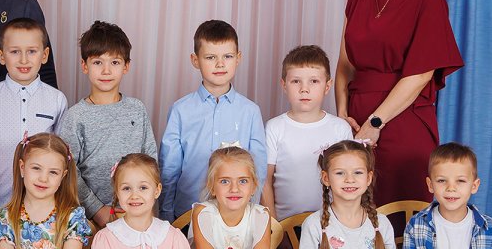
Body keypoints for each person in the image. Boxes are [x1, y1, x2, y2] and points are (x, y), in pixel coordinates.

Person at [334, 0, 463, 205]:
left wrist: (376, 122)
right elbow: (345, 64)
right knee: (356, 209)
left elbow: (421, 74)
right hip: (357, 118)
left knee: (401, 207)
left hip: (404, 117)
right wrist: (342, 116)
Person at [159, 20, 266, 222]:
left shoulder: (250, 112)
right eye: (210, 57)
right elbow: (169, 169)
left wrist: (251, 213)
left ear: (238, 58)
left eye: (227, 56)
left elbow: (258, 170)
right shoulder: (180, 110)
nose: (220, 64)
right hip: (187, 213)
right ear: (195, 60)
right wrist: (166, 216)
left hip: (236, 217)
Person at [57, 21, 157, 232]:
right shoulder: (76, 116)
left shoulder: (137, 109)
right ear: (84, 65)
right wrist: (97, 210)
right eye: (97, 62)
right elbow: (69, 170)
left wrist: (140, 203)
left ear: (126, 66)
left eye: (115, 62)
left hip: (135, 211)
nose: (106, 70)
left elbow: (150, 160)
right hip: (90, 219)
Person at [0, 18, 68, 222]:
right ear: (2, 56)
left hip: (44, 208)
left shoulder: (56, 99)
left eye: (32, 51)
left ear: (44, 55)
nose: (23, 60)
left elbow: (61, 156)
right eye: (15, 51)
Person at [260, 45, 353, 222]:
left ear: (327, 86)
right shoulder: (274, 128)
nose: (304, 89)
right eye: (296, 81)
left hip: (330, 224)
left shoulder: (340, 129)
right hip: (285, 225)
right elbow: (265, 180)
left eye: (314, 81)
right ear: (284, 85)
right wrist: (274, 226)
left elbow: (349, 179)